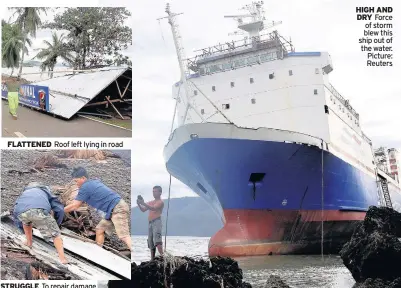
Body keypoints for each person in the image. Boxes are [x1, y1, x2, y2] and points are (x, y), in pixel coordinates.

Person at [64, 167, 132, 251]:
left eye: (76, 181)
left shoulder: (85, 187)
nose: (76, 183)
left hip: (117, 208)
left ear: (83, 178)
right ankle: (98, 251)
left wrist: (61, 210)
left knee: (124, 236)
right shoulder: (93, 183)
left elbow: (75, 206)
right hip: (111, 211)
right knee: (99, 230)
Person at [13, 182, 68, 264]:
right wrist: (57, 224)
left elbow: (16, 208)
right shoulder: (46, 192)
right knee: (56, 235)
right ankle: (63, 259)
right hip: (39, 211)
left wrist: (20, 227)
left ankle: (29, 242)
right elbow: (60, 209)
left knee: (26, 222)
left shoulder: (25, 193)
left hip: (21, 212)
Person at [137, 186, 164, 260]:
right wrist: (139, 204)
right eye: (153, 191)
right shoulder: (151, 202)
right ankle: (152, 259)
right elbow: (143, 210)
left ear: (160, 193)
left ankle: (162, 256)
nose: (154, 193)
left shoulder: (160, 202)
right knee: (150, 242)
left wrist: (143, 203)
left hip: (157, 222)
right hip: (150, 223)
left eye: (155, 191)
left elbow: (153, 208)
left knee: (158, 241)